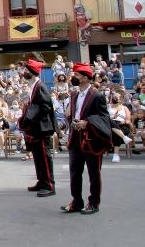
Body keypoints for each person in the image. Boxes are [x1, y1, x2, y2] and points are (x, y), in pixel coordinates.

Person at [61, 63, 111, 215]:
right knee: (74, 172)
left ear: (85, 77)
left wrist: (87, 123)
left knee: (94, 172)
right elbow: (73, 113)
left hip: (91, 139)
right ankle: (77, 201)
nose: (73, 77)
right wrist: (69, 117)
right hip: (75, 137)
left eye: (76, 75)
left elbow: (104, 118)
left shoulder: (97, 95)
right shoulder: (74, 94)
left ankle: (93, 202)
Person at [18, 59, 58, 197]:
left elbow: (46, 106)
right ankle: (41, 181)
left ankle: (49, 185)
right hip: (35, 127)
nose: (24, 73)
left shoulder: (40, 87)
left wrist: (32, 116)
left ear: (33, 72)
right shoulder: (33, 86)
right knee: (37, 156)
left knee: (44, 157)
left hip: (41, 128)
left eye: (26, 71)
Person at [108, 93, 132, 163]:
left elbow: (128, 121)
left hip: (122, 125)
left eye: (118, 97)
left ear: (121, 99)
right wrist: (113, 117)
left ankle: (116, 155)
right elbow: (104, 118)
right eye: (115, 97)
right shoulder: (108, 107)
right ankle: (124, 138)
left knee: (116, 131)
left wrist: (123, 122)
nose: (117, 98)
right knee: (112, 123)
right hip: (110, 125)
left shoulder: (125, 108)